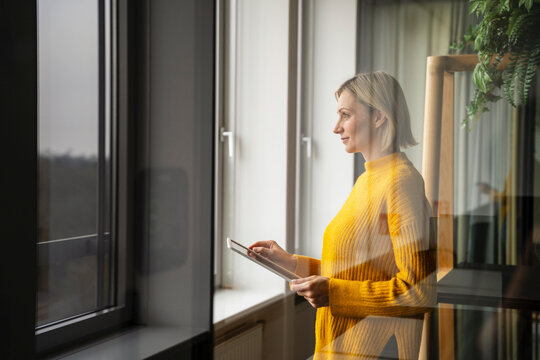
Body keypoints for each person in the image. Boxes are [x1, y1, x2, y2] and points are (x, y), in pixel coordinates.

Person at [249, 72, 435, 359]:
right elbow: (359, 272)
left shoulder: (401, 182)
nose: (336, 128)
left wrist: (333, 294)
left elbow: (418, 292)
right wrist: (291, 263)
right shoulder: (369, 180)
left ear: (379, 117)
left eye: (345, 115)